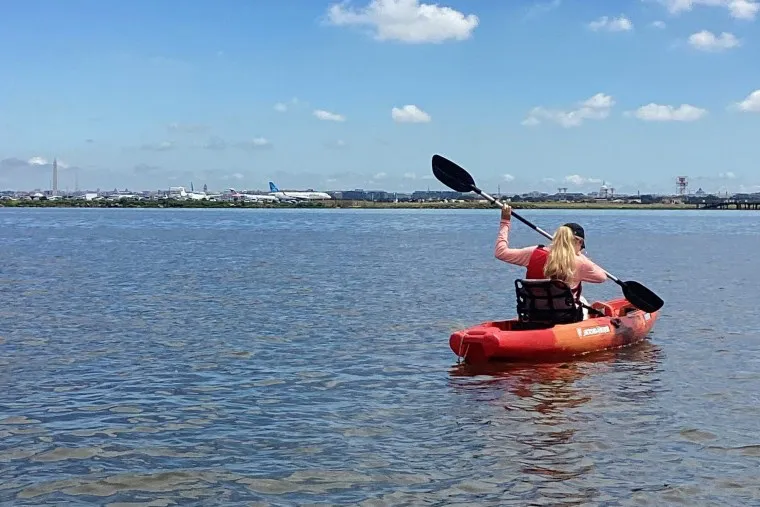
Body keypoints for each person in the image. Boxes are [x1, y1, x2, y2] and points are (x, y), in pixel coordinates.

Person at [494, 203, 608, 319]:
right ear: (578, 242)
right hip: (564, 317)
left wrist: (505, 222)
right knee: (582, 300)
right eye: (582, 246)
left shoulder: (533, 252)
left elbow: (500, 252)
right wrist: (580, 255)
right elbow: (602, 277)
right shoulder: (580, 262)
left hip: (534, 314)